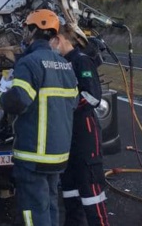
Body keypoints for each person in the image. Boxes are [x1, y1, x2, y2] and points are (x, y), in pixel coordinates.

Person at [0, 9, 78, 226]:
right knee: (50, 204)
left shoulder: (29, 62)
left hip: (34, 155)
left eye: (26, 28)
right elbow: (72, 103)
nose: (24, 33)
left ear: (34, 30)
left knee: (33, 213)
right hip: (58, 154)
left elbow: (18, 102)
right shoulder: (64, 64)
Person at [53, 30, 110, 226]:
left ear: (59, 39)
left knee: (90, 184)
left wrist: (64, 105)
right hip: (66, 132)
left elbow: (92, 96)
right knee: (69, 184)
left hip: (84, 131)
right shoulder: (58, 63)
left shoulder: (81, 61)